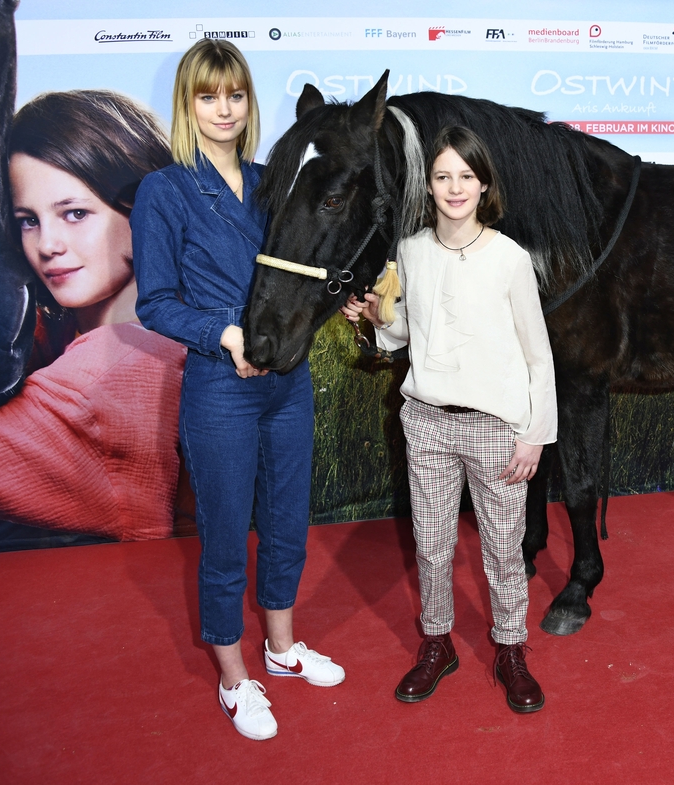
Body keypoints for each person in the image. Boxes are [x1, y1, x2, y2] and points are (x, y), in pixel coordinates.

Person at [131, 38, 343, 742]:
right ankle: (232, 675)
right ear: (189, 106)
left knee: (287, 521)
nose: (224, 108)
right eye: (208, 95)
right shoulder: (164, 191)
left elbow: (298, 273)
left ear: (249, 103)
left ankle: (281, 650)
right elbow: (155, 302)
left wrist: (334, 301)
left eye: (236, 94)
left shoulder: (271, 181)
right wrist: (224, 334)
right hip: (220, 387)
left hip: (288, 381)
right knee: (225, 538)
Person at [342, 126, 556, 713]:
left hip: (498, 427)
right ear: (429, 186)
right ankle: (437, 644)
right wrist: (375, 318)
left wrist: (535, 435)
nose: (454, 187)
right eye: (443, 177)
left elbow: (539, 354)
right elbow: (407, 333)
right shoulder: (409, 252)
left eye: (466, 176)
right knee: (431, 546)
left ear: (484, 185)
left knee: (503, 550)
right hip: (428, 420)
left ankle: (511, 649)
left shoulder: (511, 258)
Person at [0, 89, 188, 544]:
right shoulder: (71, 326)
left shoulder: (123, 366)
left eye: (74, 213)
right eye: (27, 220)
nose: (47, 245)